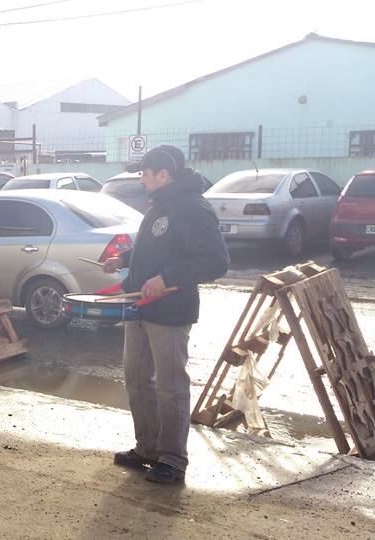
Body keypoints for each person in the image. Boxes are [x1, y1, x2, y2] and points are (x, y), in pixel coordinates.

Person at [102, 145, 229, 483]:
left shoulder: (193, 208)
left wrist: (167, 278)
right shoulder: (160, 204)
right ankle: (147, 448)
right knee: (137, 379)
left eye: (145, 173)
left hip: (170, 312)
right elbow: (159, 247)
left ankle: (173, 459)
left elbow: (216, 262)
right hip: (140, 308)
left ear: (164, 174)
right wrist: (126, 258)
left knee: (170, 387)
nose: (141, 179)